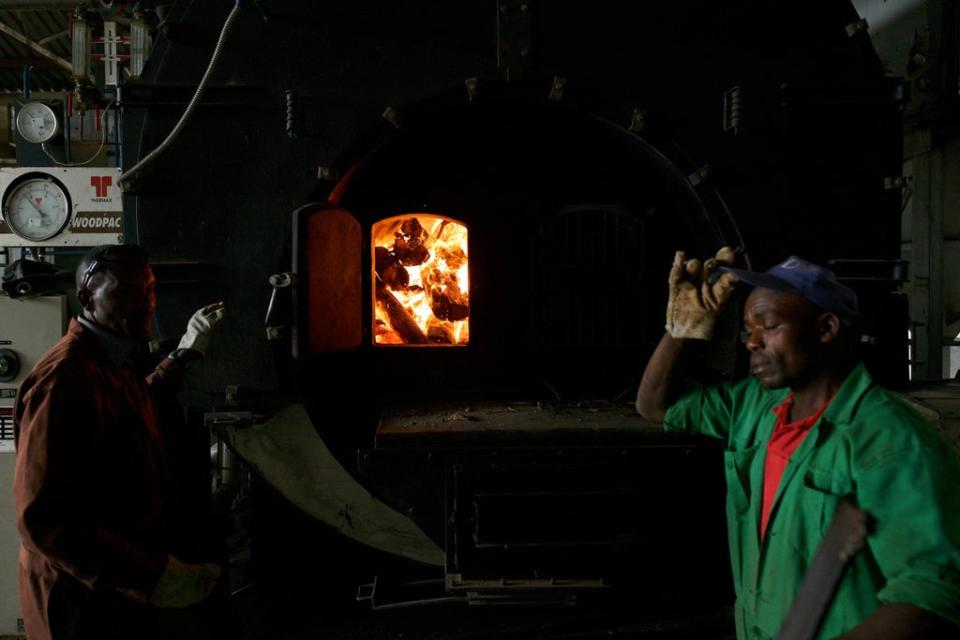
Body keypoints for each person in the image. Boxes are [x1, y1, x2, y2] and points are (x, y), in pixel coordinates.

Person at [635, 249, 960, 640]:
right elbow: (655, 405)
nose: (752, 342)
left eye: (768, 326)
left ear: (825, 328)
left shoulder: (891, 442)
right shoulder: (755, 406)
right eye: (747, 329)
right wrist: (679, 333)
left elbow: (931, 594)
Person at [13, 244, 226, 640]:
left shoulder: (109, 357)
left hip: (113, 590)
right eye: (125, 292)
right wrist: (153, 577)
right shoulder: (63, 380)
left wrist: (182, 356)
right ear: (86, 298)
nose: (144, 303)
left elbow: (127, 409)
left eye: (149, 290)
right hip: (79, 600)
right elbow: (43, 520)